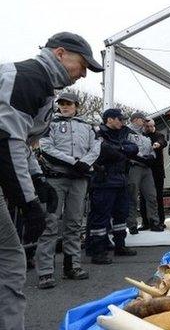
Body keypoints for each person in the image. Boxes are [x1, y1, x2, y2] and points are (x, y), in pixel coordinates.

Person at [0, 32, 102, 328]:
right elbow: (6, 142)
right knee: (9, 261)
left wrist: (37, 178)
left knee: (9, 260)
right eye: (82, 65)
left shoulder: (39, 86)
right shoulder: (27, 78)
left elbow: (22, 144)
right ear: (60, 54)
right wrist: (28, 201)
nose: (83, 74)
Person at [35, 92, 101, 289]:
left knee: (73, 223)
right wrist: (74, 162)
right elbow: (46, 148)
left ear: (76, 106)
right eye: (62, 104)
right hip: (56, 179)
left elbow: (96, 147)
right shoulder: (50, 124)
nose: (65, 107)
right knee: (50, 223)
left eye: (69, 104)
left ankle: (72, 266)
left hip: (79, 180)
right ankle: (45, 271)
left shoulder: (88, 126)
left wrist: (85, 163)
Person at [89, 109, 139, 264]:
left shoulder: (122, 133)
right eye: (119, 119)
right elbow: (103, 151)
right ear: (109, 119)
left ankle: (120, 246)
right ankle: (98, 251)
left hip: (120, 180)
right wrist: (121, 150)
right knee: (100, 217)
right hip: (104, 181)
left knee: (121, 215)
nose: (122, 122)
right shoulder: (97, 133)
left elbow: (134, 148)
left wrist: (119, 149)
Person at [126, 112, 161, 234]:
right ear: (135, 120)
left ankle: (154, 222)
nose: (145, 123)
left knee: (152, 196)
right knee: (132, 197)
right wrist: (140, 157)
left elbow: (152, 151)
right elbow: (126, 149)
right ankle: (132, 225)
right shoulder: (127, 133)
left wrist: (152, 156)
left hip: (146, 168)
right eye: (143, 120)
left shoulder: (146, 137)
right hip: (134, 167)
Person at [140, 119, 167, 230]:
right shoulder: (141, 136)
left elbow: (162, 141)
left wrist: (158, 144)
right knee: (143, 198)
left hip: (157, 172)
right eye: (147, 126)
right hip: (144, 170)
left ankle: (160, 221)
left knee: (158, 197)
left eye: (152, 126)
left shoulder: (159, 135)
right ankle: (145, 222)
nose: (150, 128)